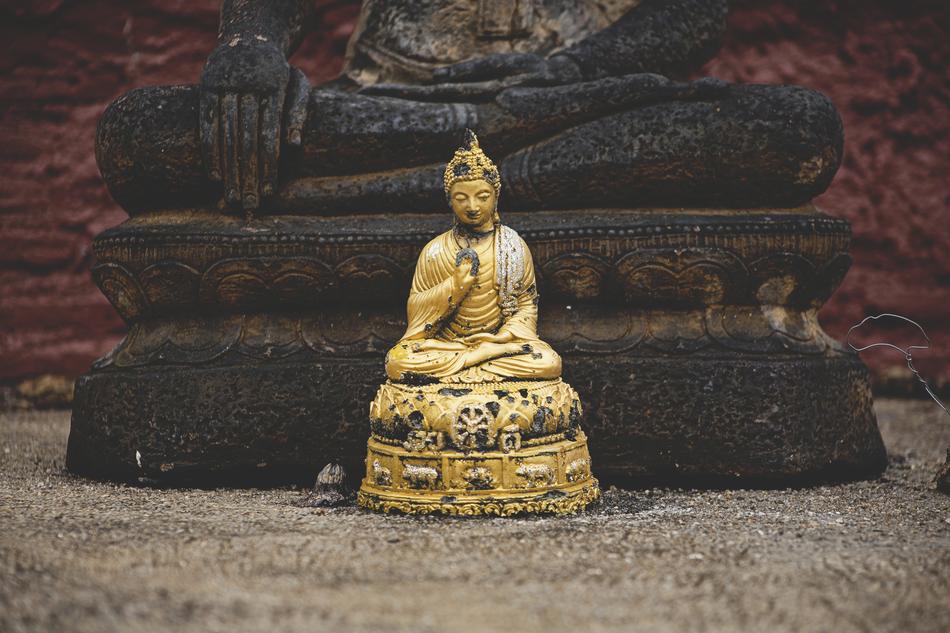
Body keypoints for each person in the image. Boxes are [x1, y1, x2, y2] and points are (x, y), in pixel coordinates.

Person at [385, 130, 560, 383]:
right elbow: (417, 316)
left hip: (498, 346)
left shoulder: (513, 246)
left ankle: (474, 362)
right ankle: (475, 361)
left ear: (496, 198)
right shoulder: (435, 250)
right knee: (398, 360)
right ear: (449, 201)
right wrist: (453, 288)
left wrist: (501, 338)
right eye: (461, 198)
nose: (473, 206)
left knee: (547, 361)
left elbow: (525, 306)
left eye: (482, 196)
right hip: (446, 346)